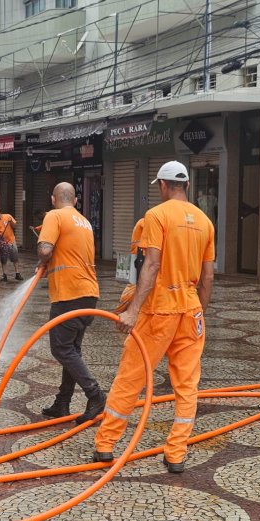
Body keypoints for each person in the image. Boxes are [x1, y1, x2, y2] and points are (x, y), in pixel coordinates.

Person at [93, 161, 215, 474]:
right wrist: (198, 311)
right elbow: (208, 276)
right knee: (187, 385)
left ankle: (106, 445)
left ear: (162, 185)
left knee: (131, 376)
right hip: (190, 309)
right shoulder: (205, 222)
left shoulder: (156, 216)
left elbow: (150, 265)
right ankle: (176, 453)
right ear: (185, 185)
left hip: (160, 309)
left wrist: (133, 311)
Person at [37, 182, 105, 425]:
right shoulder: (84, 221)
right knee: (71, 350)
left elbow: (45, 250)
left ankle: (95, 394)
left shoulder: (54, 216)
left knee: (61, 349)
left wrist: (44, 255)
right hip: (89, 293)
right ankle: (62, 402)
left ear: (53, 199)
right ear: (75, 201)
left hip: (68, 293)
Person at [0, 206, 23, 282]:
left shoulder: (8, 216)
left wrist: (11, 221)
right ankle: (4, 275)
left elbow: (15, 226)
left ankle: (17, 273)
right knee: (3, 259)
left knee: (15, 257)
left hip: (11, 241)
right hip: (2, 243)